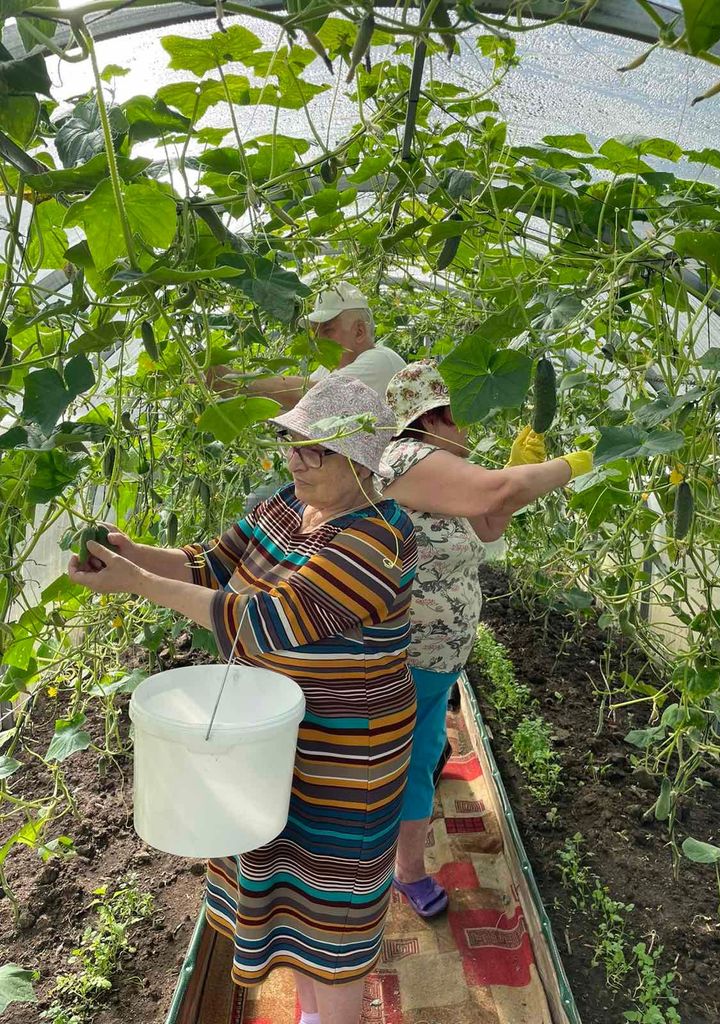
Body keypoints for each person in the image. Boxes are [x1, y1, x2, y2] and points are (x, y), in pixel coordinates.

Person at [68, 375, 417, 1024]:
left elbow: (263, 621)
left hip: (345, 758)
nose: (295, 460)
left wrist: (135, 582)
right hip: (273, 738)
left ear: (363, 459)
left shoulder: (377, 541)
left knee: (332, 911)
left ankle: (333, 1015)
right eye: (290, 442)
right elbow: (210, 564)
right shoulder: (287, 505)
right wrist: (132, 553)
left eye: (315, 449)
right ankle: (312, 1012)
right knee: (284, 887)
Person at [380, 360, 593, 919]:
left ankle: (396, 844)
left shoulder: (442, 470)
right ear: (433, 416)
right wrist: (575, 463)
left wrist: (516, 478)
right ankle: (403, 870)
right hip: (408, 656)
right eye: (463, 412)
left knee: (421, 751)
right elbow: (497, 490)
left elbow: (490, 519)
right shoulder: (406, 458)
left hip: (436, 658)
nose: (471, 423)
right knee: (412, 761)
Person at [208, 281, 405, 408]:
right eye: (315, 333)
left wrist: (230, 379)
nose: (317, 341)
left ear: (359, 331)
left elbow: (309, 395)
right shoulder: (330, 368)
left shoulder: (380, 361)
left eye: (327, 330)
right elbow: (290, 406)